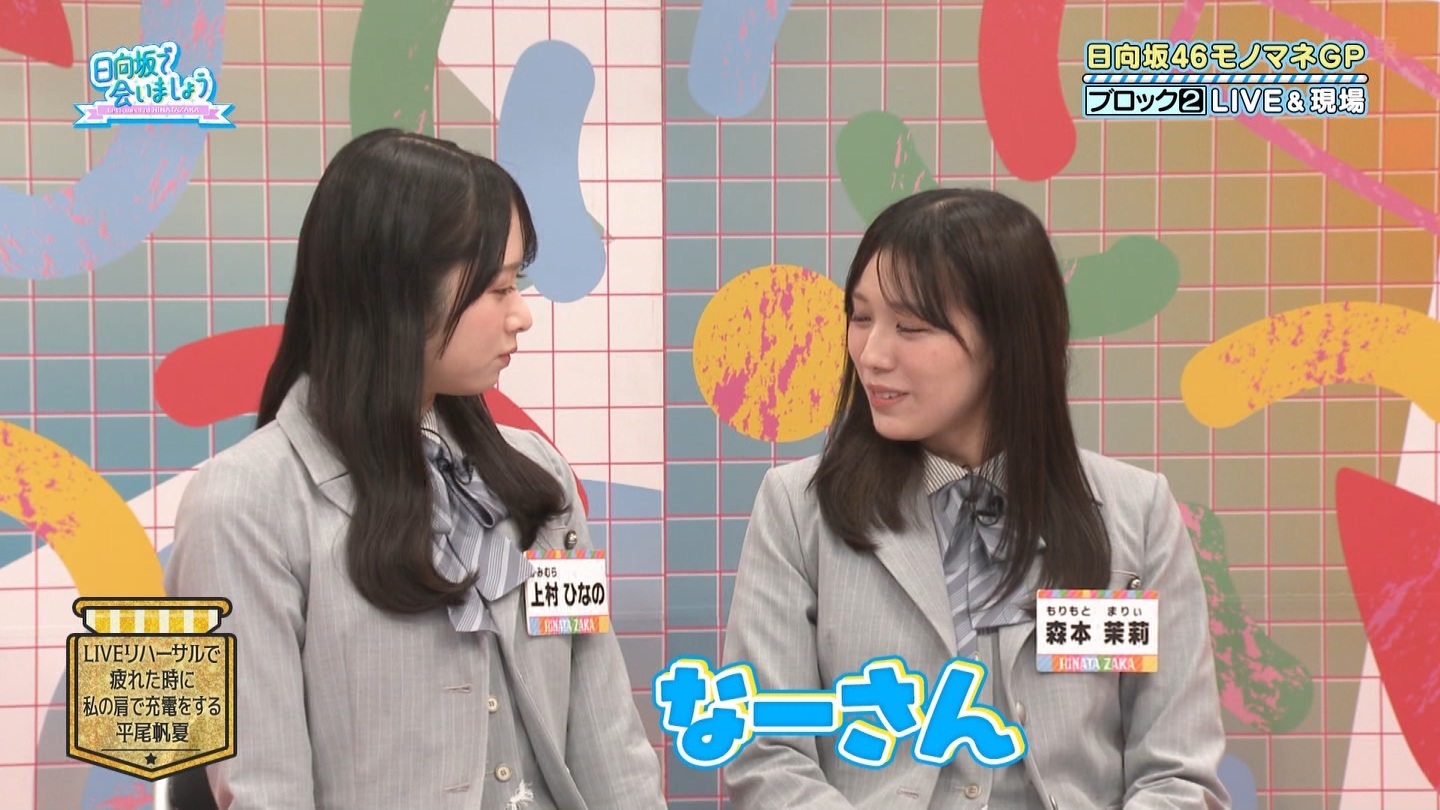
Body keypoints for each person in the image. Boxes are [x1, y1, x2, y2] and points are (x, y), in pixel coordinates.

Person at [165, 128, 666, 810]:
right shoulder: (244, 504)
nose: (521, 315)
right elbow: (265, 790)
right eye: (497, 288)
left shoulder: (538, 477)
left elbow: (605, 724)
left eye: (518, 282)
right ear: (396, 292)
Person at [721, 188, 1230, 809]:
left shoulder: (1137, 513)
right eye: (860, 317)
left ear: (1007, 339)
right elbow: (766, 755)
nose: (872, 355)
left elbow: (1177, 775)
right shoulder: (798, 509)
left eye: (910, 327)